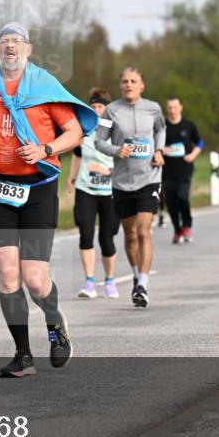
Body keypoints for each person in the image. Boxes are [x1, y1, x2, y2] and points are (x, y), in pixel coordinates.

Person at [0, 22, 96, 378]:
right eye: (4, 42)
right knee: (8, 273)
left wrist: (46, 148)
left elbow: (75, 133)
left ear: (29, 50)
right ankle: (23, 355)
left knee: (34, 278)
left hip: (38, 190)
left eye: (17, 42)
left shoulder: (44, 87)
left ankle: (55, 322)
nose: (10, 47)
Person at [95, 67, 166, 307]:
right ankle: (136, 276)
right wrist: (117, 151)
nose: (128, 84)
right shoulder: (110, 111)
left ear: (141, 86)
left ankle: (143, 285)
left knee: (144, 231)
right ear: (120, 85)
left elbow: (161, 129)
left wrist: (158, 150)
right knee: (131, 234)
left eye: (133, 81)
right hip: (123, 181)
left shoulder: (154, 108)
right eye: (124, 81)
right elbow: (98, 141)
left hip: (149, 177)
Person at [67, 88, 120, 299]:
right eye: (94, 107)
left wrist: (107, 171)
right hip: (85, 189)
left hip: (110, 191)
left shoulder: (116, 132)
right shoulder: (84, 130)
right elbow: (77, 155)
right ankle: (89, 282)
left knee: (107, 239)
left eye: (100, 107)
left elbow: (126, 160)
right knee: (85, 234)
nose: (97, 110)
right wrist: (71, 178)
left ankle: (109, 280)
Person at [162, 97, 203, 244]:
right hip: (167, 171)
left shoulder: (188, 125)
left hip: (185, 169)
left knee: (183, 197)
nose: (172, 110)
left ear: (180, 108)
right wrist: (162, 150)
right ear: (167, 109)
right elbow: (155, 145)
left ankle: (187, 225)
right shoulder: (163, 127)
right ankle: (177, 230)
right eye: (170, 108)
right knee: (171, 203)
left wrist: (193, 155)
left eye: (175, 107)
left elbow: (199, 142)